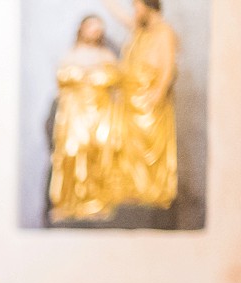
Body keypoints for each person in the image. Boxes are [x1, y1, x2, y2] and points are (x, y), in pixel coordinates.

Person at [103, 0, 178, 208]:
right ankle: (133, 191)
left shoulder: (164, 32)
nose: (134, 12)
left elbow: (167, 67)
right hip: (130, 101)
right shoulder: (141, 30)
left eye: (137, 7)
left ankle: (151, 193)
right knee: (129, 150)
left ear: (148, 6)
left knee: (148, 150)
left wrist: (158, 92)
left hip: (148, 101)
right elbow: (122, 17)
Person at [48, 14, 121, 222]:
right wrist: (82, 76)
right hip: (74, 113)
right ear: (82, 29)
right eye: (91, 27)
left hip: (99, 113)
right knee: (72, 153)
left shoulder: (106, 55)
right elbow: (62, 79)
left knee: (98, 153)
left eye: (98, 28)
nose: (94, 31)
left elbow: (114, 78)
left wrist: (93, 78)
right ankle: (68, 203)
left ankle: (96, 202)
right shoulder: (71, 54)